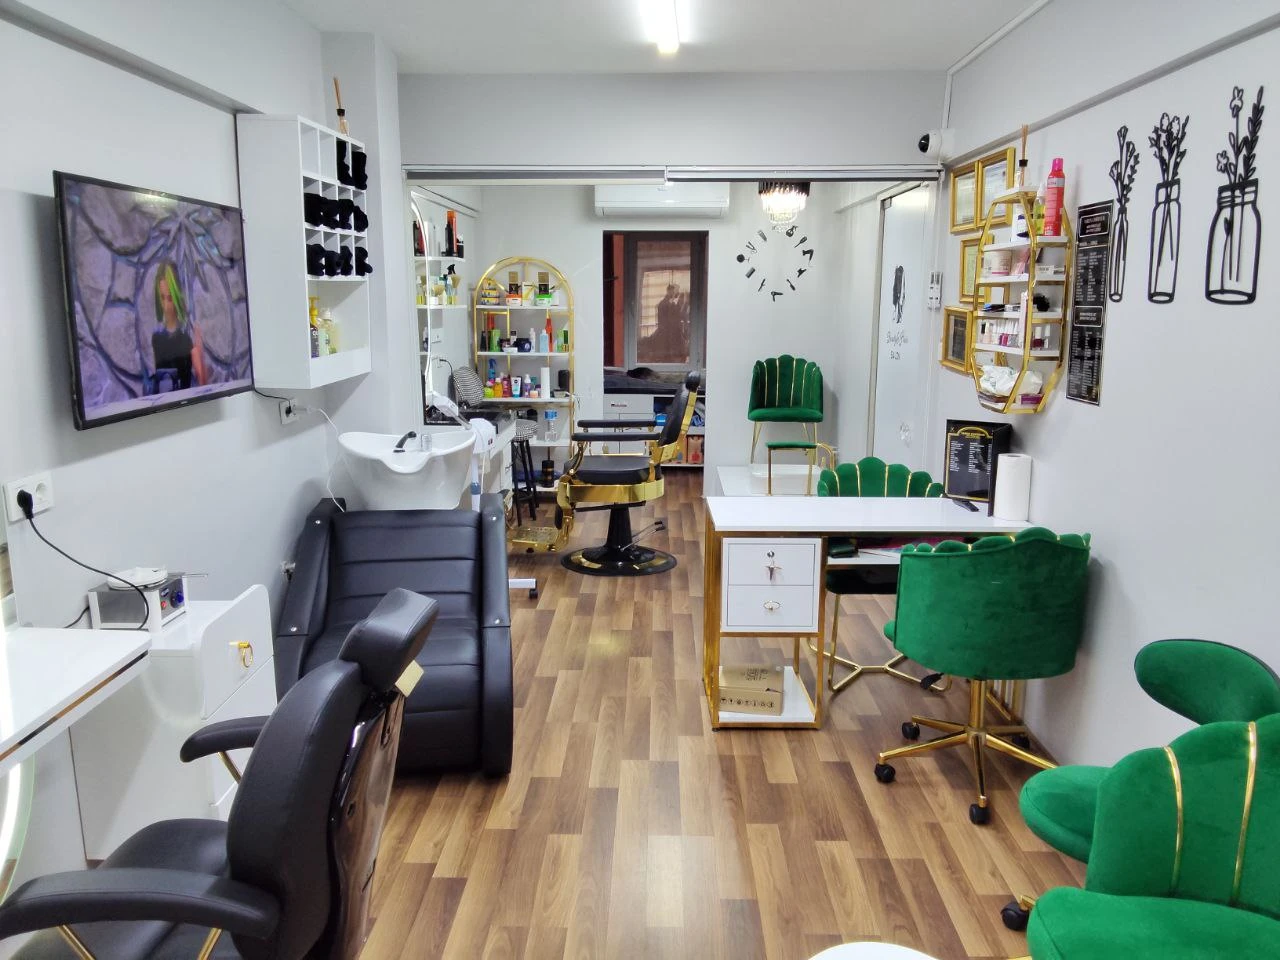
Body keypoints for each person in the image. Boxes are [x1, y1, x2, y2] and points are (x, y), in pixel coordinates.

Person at [149, 261, 205, 391]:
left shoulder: (187, 337)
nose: (166, 306)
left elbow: (203, 382)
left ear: (176, 296)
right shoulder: (156, 338)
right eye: (162, 298)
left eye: (170, 298)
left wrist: (198, 354)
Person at [640, 282, 689, 363]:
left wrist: (684, 303)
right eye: (677, 291)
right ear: (671, 291)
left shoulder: (669, 303)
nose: (678, 293)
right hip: (668, 336)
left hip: (670, 335)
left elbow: (679, 315)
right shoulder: (665, 304)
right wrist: (685, 303)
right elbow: (676, 317)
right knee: (668, 358)